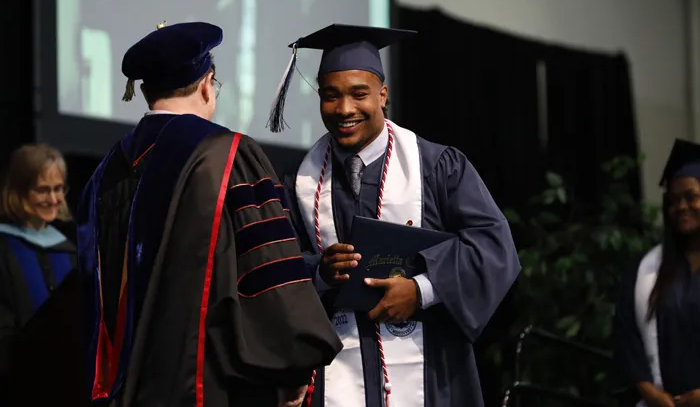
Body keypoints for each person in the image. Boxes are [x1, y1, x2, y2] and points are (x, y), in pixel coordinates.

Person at [76, 21, 342, 407]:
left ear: (146, 91)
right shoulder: (227, 156)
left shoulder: (102, 177)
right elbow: (270, 274)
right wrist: (293, 369)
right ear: (206, 83)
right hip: (212, 390)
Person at [271, 24, 521, 407]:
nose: (345, 109)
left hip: (429, 371)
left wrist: (422, 289)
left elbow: (494, 247)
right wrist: (320, 272)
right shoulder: (301, 183)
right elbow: (277, 269)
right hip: (337, 372)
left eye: (359, 94)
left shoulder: (437, 167)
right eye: (330, 96)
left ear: (382, 95)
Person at [614, 139, 700, 407]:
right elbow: (627, 339)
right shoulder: (646, 270)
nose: (681, 207)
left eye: (690, 197)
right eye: (673, 201)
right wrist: (651, 393)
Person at [0, 144, 76, 403]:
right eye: (43, 190)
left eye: (58, 189)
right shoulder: (4, 247)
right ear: (18, 192)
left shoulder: (68, 250)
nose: (54, 199)